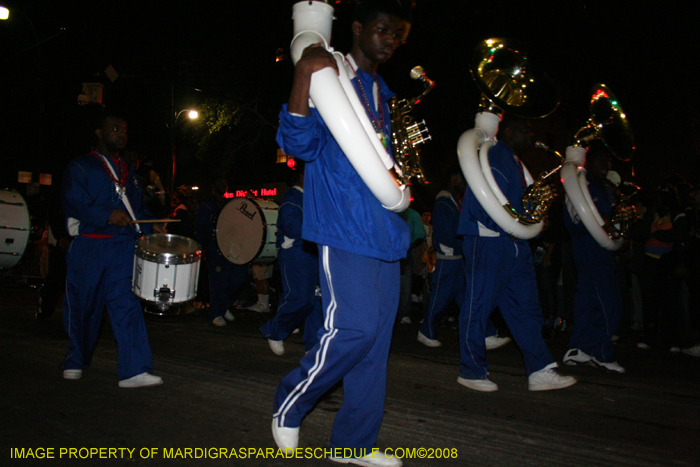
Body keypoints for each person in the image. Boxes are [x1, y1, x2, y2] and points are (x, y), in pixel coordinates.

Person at [272, 1, 411, 465]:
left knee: (375, 345)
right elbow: (299, 144)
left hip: (387, 232)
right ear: (357, 28)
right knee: (353, 328)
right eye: (383, 29)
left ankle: (353, 446)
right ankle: (290, 402)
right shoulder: (332, 74)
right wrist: (304, 76)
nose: (391, 40)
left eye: (399, 34)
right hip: (344, 226)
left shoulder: (382, 91)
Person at [456, 114, 577, 392]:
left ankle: (540, 369)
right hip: (491, 241)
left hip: (513, 243)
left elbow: (511, 206)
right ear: (507, 132)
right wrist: (512, 226)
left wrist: (534, 222)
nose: (530, 133)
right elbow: (481, 202)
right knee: (478, 306)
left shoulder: (513, 161)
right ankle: (471, 370)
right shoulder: (496, 156)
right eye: (525, 128)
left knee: (526, 309)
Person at [60, 114, 163, 388]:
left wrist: (153, 226)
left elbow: (137, 209)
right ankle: (75, 358)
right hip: (90, 246)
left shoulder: (130, 172)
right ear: (98, 132)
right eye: (115, 129)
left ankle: (134, 369)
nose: (121, 134)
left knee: (127, 306)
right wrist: (107, 214)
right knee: (84, 307)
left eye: (125, 130)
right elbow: (74, 202)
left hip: (122, 248)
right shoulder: (80, 167)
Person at [417, 168, 510, 350]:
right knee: (440, 297)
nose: (464, 181)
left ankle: (486, 333)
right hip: (449, 258)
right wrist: (464, 243)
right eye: (461, 177)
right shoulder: (445, 202)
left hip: (457, 258)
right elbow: (445, 234)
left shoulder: (454, 201)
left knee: (469, 297)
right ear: (453, 177)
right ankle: (426, 330)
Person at [562, 142, 625, 372]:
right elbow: (573, 222)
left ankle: (579, 348)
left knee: (587, 303)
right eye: (600, 160)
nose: (605, 165)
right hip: (591, 254)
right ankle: (601, 352)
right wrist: (603, 222)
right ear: (589, 162)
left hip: (601, 254)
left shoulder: (603, 187)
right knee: (610, 302)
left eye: (608, 161)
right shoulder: (579, 184)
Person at [260, 162, 323, 355]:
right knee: (301, 298)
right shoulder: (292, 197)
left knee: (317, 300)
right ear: (303, 176)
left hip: (314, 255)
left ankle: (313, 346)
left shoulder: (312, 198)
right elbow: (292, 226)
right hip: (297, 255)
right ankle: (275, 330)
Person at [194, 176, 248, 327]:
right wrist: (205, 247)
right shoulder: (207, 204)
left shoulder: (229, 203)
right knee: (219, 281)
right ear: (213, 185)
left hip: (231, 246)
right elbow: (201, 228)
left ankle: (222, 307)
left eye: (225, 182)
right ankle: (215, 313)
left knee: (240, 277)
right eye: (220, 182)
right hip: (214, 247)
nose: (223, 185)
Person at [396, 206, 426, 324]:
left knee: (405, 286)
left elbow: (420, 236)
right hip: (392, 253)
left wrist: (409, 248)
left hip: (404, 254)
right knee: (394, 285)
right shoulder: (391, 211)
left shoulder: (413, 215)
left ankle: (404, 314)